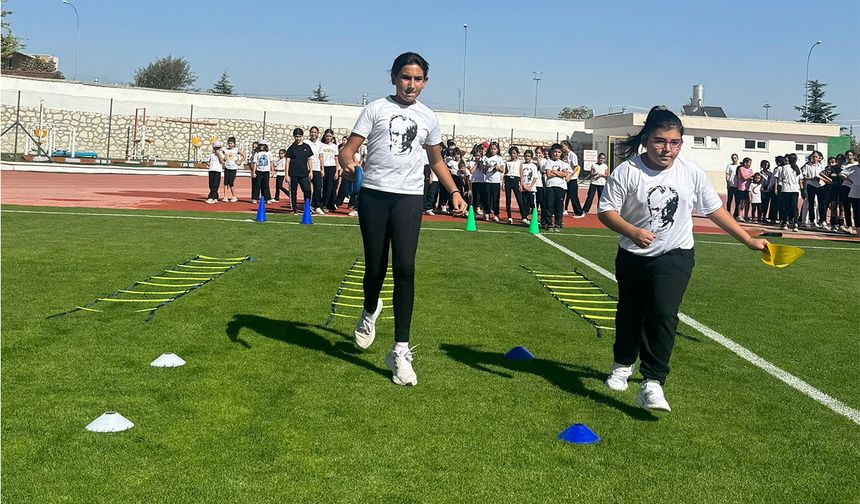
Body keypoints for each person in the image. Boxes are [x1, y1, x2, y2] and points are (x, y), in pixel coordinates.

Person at [598, 106, 767, 412]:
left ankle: (652, 382)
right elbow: (606, 211)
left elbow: (715, 210)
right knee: (630, 312)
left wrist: (747, 239)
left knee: (663, 312)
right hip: (633, 255)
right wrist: (632, 231)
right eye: (661, 141)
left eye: (675, 142)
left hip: (675, 254)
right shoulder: (628, 171)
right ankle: (622, 364)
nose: (667, 149)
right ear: (647, 140)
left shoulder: (690, 173)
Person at [338, 52, 467, 386]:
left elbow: (436, 162)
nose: (412, 85)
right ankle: (369, 311)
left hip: (409, 199)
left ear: (425, 81)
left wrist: (454, 191)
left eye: (418, 79)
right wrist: (348, 163)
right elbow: (347, 150)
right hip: (374, 197)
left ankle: (400, 350)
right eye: (406, 77)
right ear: (393, 77)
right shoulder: (376, 109)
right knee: (375, 267)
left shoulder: (428, 117)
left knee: (406, 269)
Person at [543, 143, 571, 232]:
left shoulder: (563, 163)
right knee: (549, 205)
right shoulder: (548, 162)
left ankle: (558, 224)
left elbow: (565, 174)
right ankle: (549, 224)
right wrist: (559, 173)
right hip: (550, 186)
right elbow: (548, 174)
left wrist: (554, 172)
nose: (556, 154)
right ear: (551, 152)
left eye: (559, 152)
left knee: (559, 206)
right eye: (555, 152)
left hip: (561, 186)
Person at [286, 128, 313, 215]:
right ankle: (294, 209)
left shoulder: (306, 147)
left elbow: (309, 160)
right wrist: (286, 175)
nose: (298, 138)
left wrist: (311, 171)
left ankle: (307, 207)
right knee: (293, 192)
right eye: (296, 136)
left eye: (299, 136)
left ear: (302, 136)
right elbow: (287, 161)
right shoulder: (291, 148)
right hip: (293, 173)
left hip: (304, 173)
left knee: (307, 190)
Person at [776, 154, 803, 232]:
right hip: (792, 189)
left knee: (786, 207)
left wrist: (779, 188)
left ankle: (786, 223)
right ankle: (794, 223)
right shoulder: (794, 168)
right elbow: (800, 180)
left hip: (788, 189)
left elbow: (780, 180)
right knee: (794, 207)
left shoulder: (787, 168)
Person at [801, 150, 826, 229]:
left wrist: (820, 178)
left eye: (816, 157)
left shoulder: (822, 166)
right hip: (811, 185)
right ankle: (812, 221)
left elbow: (825, 177)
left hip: (820, 185)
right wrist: (812, 178)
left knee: (821, 203)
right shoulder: (807, 166)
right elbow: (804, 177)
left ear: (819, 158)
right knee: (811, 203)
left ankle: (822, 221)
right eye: (813, 157)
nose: (814, 158)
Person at [304, 126, 325, 215]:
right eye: (312, 132)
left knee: (318, 187)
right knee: (307, 189)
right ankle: (307, 205)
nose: (313, 134)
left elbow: (321, 157)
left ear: (317, 134)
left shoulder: (320, 144)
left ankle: (317, 206)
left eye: (315, 132)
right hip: (307, 168)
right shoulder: (306, 143)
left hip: (316, 168)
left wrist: (322, 169)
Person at [561, 140, 584, 217]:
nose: (562, 147)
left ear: (566, 146)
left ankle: (579, 212)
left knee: (573, 195)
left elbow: (575, 167)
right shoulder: (564, 155)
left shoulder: (572, 155)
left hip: (572, 178)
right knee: (564, 194)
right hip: (566, 177)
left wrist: (570, 176)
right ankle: (562, 209)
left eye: (563, 146)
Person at [503, 145, 526, 224]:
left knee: (519, 200)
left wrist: (521, 184)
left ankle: (523, 217)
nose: (512, 155)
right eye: (511, 153)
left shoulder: (520, 162)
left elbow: (521, 174)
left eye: (514, 153)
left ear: (517, 154)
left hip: (516, 180)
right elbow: (505, 173)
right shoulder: (508, 162)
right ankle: (509, 217)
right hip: (508, 180)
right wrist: (503, 183)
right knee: (508, 200)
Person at [482, 141, 504, 222]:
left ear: (497, 150)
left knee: (496, 198)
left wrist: (497, 168)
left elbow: (502, 170)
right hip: (488, 181)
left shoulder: (499, 158)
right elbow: (484, 170)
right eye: (491, 149)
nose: (492, 150)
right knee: (487, 198)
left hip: (496, 181)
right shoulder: (486, 158)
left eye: (494, 149)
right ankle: (486, 213)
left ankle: (496, 214)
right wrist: (487, 166)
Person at [320, 128, 340, 212]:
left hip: (332, 167)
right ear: (324, 136)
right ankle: (321, 203)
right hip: (324, 167)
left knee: (330, 187)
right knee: (323, 187)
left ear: (332, 137)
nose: (328, 138)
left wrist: (336, 171)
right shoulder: (321, 145)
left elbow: (336, 159)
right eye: (327, 136)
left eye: (330, 136)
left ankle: (326, 205)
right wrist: (322, 169)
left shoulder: (335, 146)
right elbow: (321, 157)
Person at [222, 136, 244, 202]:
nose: (230, 144)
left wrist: (240, 161)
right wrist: (223, 160)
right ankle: (225, 196)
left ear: (234, 144)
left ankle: (234, 196)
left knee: (231, 182)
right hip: (227, 167)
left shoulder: (236, 150)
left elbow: (244, 155)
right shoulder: (225, 150)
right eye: (229, 143)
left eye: (231, 143)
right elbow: (222, 156)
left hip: (233, 168)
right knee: (225, 182)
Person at [520, 149, 539, 221]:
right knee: (525, 203)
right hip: (524, 187)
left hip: (532, 188)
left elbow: (535, 177)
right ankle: (525, 218)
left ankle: (534, 218)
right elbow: (520, 176)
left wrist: (530, 186)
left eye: (529, 156)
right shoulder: (522, 165)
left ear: (531, 157)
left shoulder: (533, 166)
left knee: (532, 203)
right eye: (526, 156)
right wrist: (523, 185)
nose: (527, 157)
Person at [252, 139, 273, 204]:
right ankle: (255, 198)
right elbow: (255, 163)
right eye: (260, 145)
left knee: (266, 185)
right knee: (257, 185)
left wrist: (272, 170)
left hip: (266, 171)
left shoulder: (269, 153)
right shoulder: (257, 153)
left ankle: (267, 198)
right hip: (259, 171)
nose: (261, 147)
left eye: (263, 145)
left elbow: (271, 162)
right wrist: (253, 171)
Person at [469, 144, 486, 216]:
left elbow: (485, 171)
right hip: (474, 181)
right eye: (476, 156)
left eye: (479, 156)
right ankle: (474, 209)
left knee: (481, 196)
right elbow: (471, 171)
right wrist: (476, 164)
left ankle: (479, 207)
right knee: (475, 196)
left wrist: (481, 164)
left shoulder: (483, 162)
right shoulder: (472, 162)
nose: (477, 157)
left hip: (482, 181)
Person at [734, 157, 753, 221]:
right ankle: (739, 215)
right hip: (742, 188)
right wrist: (750, 176)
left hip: (748, 188)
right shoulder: (741, 168)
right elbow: (743, 178)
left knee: (747, 202)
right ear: (745, 163)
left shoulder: (750, 170)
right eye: (749, 163)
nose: (750, 164)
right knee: (740, 202)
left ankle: (746, 215)